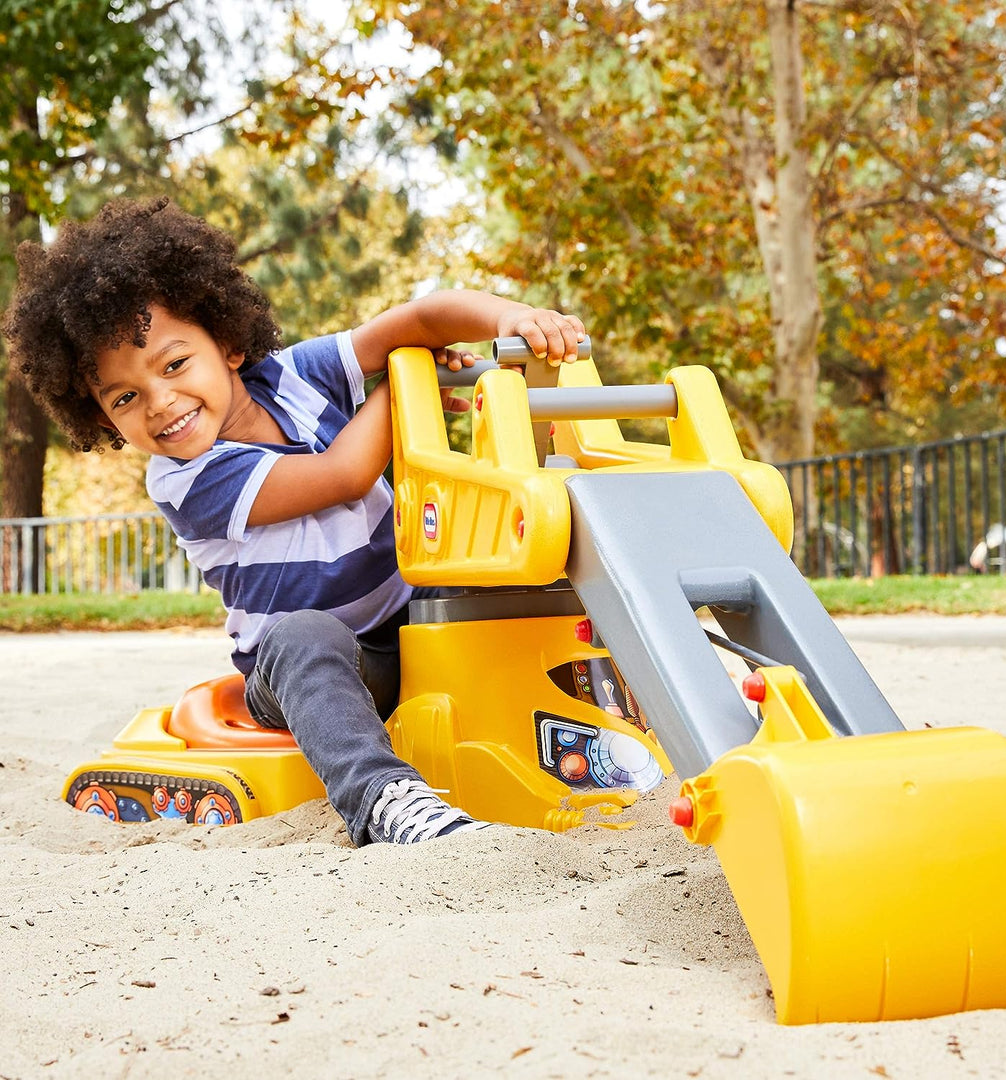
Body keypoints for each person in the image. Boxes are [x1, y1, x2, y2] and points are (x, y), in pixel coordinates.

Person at [3, 197, 586, 845]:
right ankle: (385, 800)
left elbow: (419, 316)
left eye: (174, 364)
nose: (161, 402)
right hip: (309, 664)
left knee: (514, 558)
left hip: (414, 615)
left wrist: (512, 318)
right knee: (304, 636)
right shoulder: (185, 478)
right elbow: (344, 474)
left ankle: (588, 723)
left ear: (225, 343)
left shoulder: (298, 376)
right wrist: (406, 379)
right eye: (125, 398)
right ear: (103, 418)